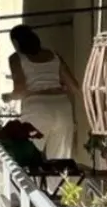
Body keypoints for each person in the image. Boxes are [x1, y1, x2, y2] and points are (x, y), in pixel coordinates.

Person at [4, 24, 79, 161]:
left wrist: (8, 97)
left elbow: (20, 90)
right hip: (62, 106)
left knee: (28, 157)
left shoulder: (16, 58)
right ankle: (58, 183)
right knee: (60, 162)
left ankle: (34, 183)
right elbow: (74, 87)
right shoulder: (54, 55)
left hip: (37, 107)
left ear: (15, 42)